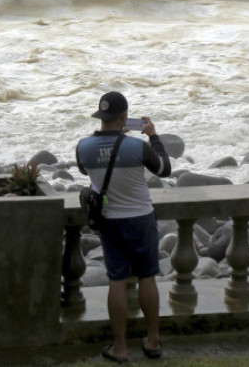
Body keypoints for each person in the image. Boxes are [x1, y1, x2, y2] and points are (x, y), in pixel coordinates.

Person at [75, 91, 172, 363]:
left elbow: (85, 171)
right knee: (147, 278)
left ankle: (119, 347)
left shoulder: (83, 147)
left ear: (100, 117)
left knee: (116, 281)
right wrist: (152, 135)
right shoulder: (137, 147)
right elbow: (165, 169)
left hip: (109, 221)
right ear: (124, 118)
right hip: (141, 218)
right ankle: (152, 341)